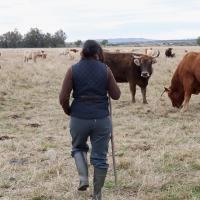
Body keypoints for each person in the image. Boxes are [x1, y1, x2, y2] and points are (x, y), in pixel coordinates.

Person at [59, 40, 121, 200]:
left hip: (79, 117)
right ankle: (97, 193)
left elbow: (63, 97)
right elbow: (116, 95)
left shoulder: (72, 70)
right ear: (97, 54)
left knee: (78, 148)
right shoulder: (105, 70)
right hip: (101, 119)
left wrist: (69, 112)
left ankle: (83, 179)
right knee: (100, 156)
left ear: (81, 53)